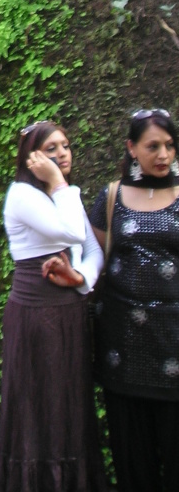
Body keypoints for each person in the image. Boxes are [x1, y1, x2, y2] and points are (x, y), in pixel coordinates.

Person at [0, 120, 107, 492]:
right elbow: (70, 232)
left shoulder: (62, 195)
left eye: (65, 146)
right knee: (37, 403)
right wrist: (57, 182)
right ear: (31, 157)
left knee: (69, 401)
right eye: (51, 149)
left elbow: (92, 250)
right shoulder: (22, 195)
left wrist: (80, 278)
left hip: (69, 312)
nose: (62, 154)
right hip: (35, 316)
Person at [90, 107, 179, 492]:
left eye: (170, 145)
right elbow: (93, 258)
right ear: (131, 148)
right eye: (153, 146)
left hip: (174, 347)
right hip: (123, 351)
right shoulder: (111, 197)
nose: (164, 155)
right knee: (131, 460)